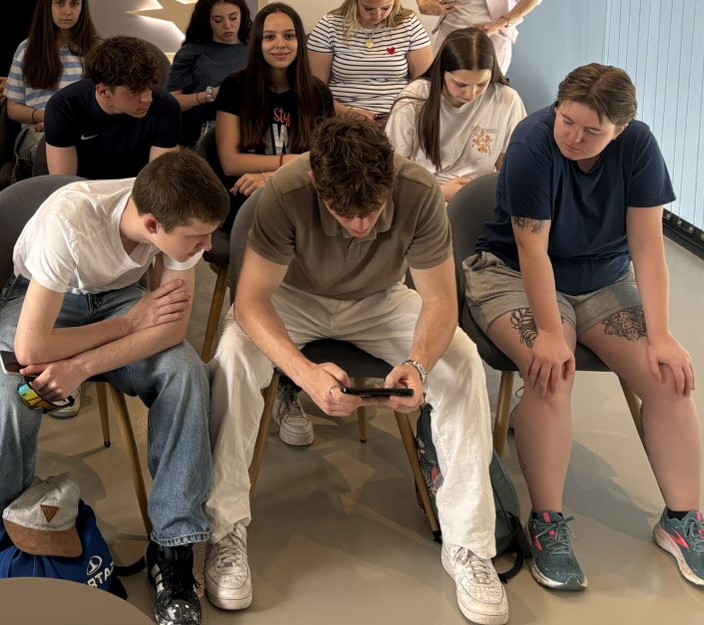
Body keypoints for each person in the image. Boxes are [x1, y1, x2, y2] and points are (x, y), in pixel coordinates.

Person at [206, 117, 507, 625]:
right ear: (316, 184)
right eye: (345, 213)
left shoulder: (418, 191)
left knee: (462, 362)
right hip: (292, 298)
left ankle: (469, 546)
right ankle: (225, 530)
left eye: (372, 210)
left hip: (379, 299)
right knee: (233, 356)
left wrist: (417, 363)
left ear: (390, 179)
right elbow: (252, 300)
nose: (362, 225)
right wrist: (304, 374)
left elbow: (440, 300)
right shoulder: (285, 192)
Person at [462, 64, 704, 592]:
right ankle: (547, 522)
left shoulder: (639, 147)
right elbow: (532, 250)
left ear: (620, 130)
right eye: (568, 121)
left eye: (593, 131)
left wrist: (661, 335)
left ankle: (682, 521)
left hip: (604, 279)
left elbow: (647, 245)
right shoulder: (533, 143)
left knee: (668, 377)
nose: (574, 137)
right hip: (513, 272)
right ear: (557, 108)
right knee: (552, 371)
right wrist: (549, 333)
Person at [0, 150, 230, 625]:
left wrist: (80, 367)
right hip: (46, 298)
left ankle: (173, 548)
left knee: (186, 372)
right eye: (197, 238)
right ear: (152, 226)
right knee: (9, 396)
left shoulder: (178, 213)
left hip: (120, 297)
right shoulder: (70, 221)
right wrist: (130, 323)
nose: (208, 246)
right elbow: (33, 346)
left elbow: (170, 330)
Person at [212, 1, 333, 229]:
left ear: (299, 41)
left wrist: (271, 177)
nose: (280, 44)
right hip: (246, 196)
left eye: (289, 36)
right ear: (258, 43)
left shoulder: (319, 93)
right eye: (269, 37)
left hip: (301, 193)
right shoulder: (235, 87)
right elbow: (230, 162)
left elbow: (323, 161)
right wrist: (291, 161)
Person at [386, 29, 526, 202]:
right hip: (424, 197)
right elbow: (395, 169)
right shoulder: (414, 99)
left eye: (482, 84)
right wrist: (439, 192)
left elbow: (510, 166)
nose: (471, 94)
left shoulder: (506, 99)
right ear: (442, 72)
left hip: (481, 197)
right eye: (460, 85)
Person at [306, 0, 434, 124]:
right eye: (368, 8)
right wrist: (346, 113)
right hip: (342, 118)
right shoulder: (329, 25)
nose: (377, 15)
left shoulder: (409, 24)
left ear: (395, 0)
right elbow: (316, 88)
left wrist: (400, 116)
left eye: (386, 8)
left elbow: (424, 84)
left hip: (398, 118)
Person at [44, 35, 181, 179]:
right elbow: (65, 185)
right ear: (103, 91)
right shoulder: (64, 107)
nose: (148, 98)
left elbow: (160, 182)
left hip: (139, 189)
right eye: (135, 91)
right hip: (84, 189)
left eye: (149, 87)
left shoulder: (166, 106)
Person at [5, 0, 99, 178]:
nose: (67, 11)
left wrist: (64, 123)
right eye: (60, 3)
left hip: (83, 130)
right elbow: (13, 108)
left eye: (74, 4)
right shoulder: (26, 49)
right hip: (37, 131)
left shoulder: (95, 50)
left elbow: (104, 102)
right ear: (48, 6)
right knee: (50, 152)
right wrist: (45, 117)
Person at [167, 0, 252, 146]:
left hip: (249, 132)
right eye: (218, 20)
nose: (228, 25)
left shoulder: (256, 49)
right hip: (201, 136)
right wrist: (209, 95)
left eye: (233, 18)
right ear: (207, 20)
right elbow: (172, 102)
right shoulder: (192, 52)